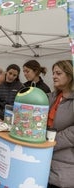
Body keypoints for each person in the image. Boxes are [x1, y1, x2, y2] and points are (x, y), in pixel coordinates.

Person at [47, 60, 74, 188]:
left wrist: (52, 141)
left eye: (58, 73)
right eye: (53, 73)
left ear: (70, 75)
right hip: (47, 158)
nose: (53, 76)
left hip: (65, 163)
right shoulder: (53, 97)